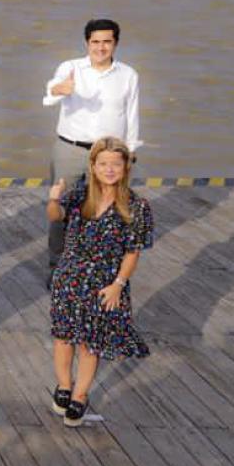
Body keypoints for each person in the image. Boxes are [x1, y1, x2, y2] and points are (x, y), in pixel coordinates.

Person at [47, 137, 152, 427]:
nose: (109, 169)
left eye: (115, 164)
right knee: (63, 337)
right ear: (92, 166)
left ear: (125, 167)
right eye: (103, 163)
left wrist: (118, 284)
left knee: (90, 344)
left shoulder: (137, 206)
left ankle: (80, 396)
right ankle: (64, 386)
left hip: (105, 282)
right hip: (70, 277)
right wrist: (54, 197)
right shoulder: (80, 195)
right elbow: (56, 217)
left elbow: (133, 252)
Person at [43, 18, 141, 272]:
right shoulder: (70, 67)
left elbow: (132, 116)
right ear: (87, 43)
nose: (101, 47)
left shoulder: (128, 75)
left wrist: (130, 153)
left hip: (110, 155)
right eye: (95, 42)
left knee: (107, 211)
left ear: (115, 43)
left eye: (107, 41)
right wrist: (59, 89)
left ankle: (100, 267)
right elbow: (48, 96)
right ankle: (58, 268)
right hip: (70, 150)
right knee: (61, 208)